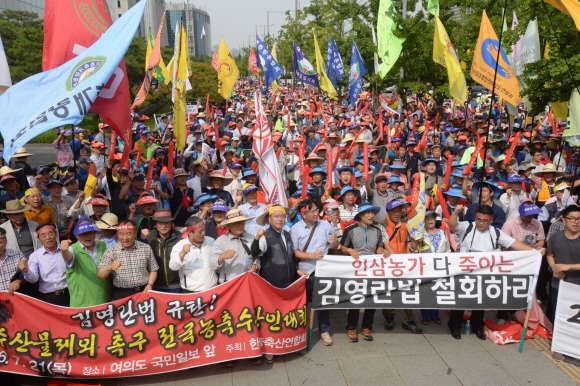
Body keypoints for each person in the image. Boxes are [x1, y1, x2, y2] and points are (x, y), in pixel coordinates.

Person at [448, 204, 535, 340]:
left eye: (484, 221)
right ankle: (454, 326)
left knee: (480, 301)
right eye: (479, 220)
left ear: (491, 220)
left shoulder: (496, 232)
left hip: (484, 273)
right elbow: (453, 225)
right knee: (461, 299)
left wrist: (533, 252)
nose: (481, 223)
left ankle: (477, 327)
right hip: (466, 271)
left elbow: (514, 244)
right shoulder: (468, 227)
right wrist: (455, 212)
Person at [340, 202, 392, 343]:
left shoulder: (377, 231)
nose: (371, 215)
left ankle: (367, 327)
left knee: (371, 299)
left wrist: (384, 251)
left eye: (372, 213)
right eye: (367, 213)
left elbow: (378, 249)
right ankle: (351, 327)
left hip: (373, 270)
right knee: (356, 300)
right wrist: (350, 250)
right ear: (361, 215)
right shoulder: (350, 230)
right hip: (356, 270)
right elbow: (343, 248)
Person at [291, 199, 339, 346]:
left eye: (316, 210)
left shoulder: (325, 225)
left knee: (322, 302)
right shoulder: (296, 229)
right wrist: (311, 256)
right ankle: (300, 330)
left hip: (323, 270)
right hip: (305, 272)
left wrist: (334, 240)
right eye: (312, 211)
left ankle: (324, 330)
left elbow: (335, 245)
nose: (316, 213)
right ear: (303, 214)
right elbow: (294, 252)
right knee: (303, 302)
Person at [379, 198, 423, 334]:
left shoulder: (406, 225)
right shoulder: (381, 225)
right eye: (394, 211)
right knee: (387, 292)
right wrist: (382, 251)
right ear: (388, 212)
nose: (397, 213)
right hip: (387, 264)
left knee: (407, 292)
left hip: (403, 265)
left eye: (400, 210)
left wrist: (416, 242)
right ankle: (389, 317)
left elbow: (410, 245)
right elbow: (377, 246)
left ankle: (408, 321)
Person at [97, 220, 159, 301]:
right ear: (117, 235)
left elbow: (153, 269)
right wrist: (109, 267)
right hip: (122, 293)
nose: (125, 238)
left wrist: (150, 284)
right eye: (121, 234)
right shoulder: (111, 251)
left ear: (135, 233)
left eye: (129, 233)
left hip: (144, 291)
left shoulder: (146, 248)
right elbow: (100, 274)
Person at [61, 218, 110, 307]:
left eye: (90, 232)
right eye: (83, 233)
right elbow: (68, 257)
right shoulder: (72, 249)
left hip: (104, 299)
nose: (87, 236)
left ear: (95, 233)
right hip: (82, 303)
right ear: (77, 235)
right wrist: (64, 251)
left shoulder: (102, 245)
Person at [21, 223, 69, 306]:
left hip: (70, 294)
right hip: (48, 297)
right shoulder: (35, 256)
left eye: (50, 233)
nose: (48, 238)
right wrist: (26, 271)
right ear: (38, 238)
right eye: (43, 235)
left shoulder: (67, 250)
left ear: (56, 234)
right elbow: (34, 279)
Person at [546, 204, 580, 323]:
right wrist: (555, 268)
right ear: (564, 220)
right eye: (572, 218)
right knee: (557, 314)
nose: (576, 222)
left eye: (579, 219)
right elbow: (550, 255)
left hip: (577, 285)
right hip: (558, 283)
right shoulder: (555, 237)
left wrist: (568, 267)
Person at [209, 208, 259, 283]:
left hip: (248, 281)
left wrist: (256, 265)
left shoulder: (252, 238)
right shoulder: (220, 241)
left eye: (242, 222)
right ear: (228, 226)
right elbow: (212, 264)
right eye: (236, 223)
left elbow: (257, 256)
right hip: (228, 283)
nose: (240, 226)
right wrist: (222, 257)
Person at [418, 211, 451, 325]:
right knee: (426, 292)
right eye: (427, 218)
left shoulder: (442, 233)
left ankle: (435, 315)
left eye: (432, 218)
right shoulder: (420, 234)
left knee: (437, 291)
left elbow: (447, 249)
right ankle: (425, 316)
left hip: (439, 268)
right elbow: (414, 251)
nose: (430, 220)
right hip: (425, 269)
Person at [169, 217, 217, 293]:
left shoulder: (211, 241)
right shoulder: (179, 246)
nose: (203, 233)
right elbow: (173, 267)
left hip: (212, 289)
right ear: (190, 232)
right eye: (200, 231)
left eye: (204, 229)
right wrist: (182, 253)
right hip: (191, 293)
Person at [147, 208, 182, 293]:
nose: (163, 226)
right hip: (155, 285)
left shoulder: (180, 237)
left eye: (166, 223)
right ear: (156, 224)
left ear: (171, 223)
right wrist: (142, 238)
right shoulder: (150, 237)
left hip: (177, 284)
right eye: (160, 223)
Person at [0, 228, 27, 294]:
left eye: (0, 242)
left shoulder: (17, 254)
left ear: (6, 241)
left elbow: (28, 274)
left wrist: (19, 280)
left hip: (17, 298)